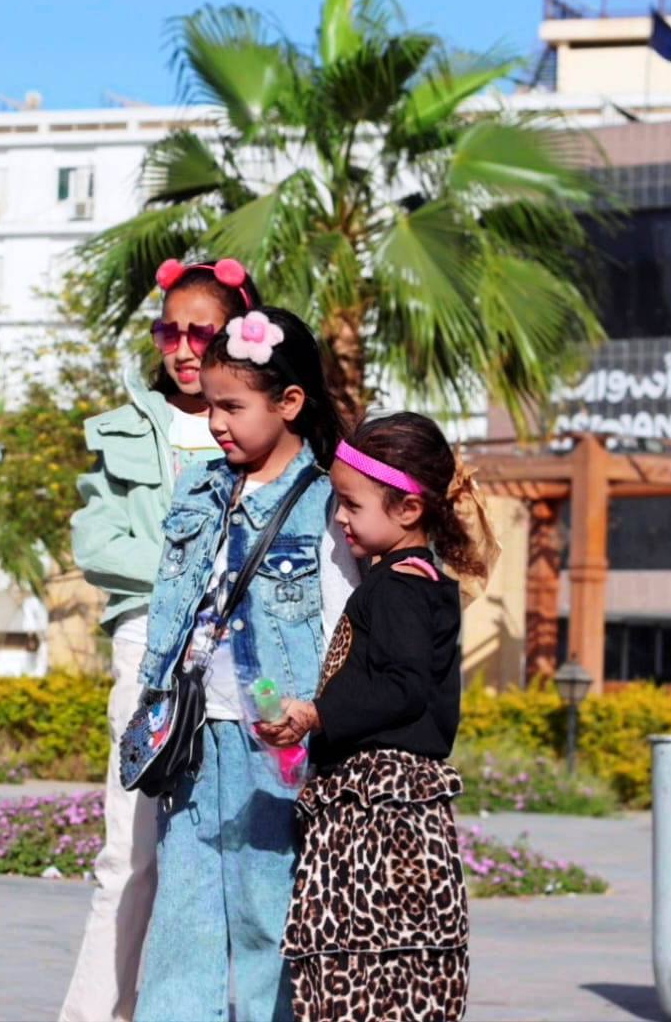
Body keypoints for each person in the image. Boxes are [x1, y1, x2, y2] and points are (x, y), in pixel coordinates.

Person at [132, 308, 360, 1022]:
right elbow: (174, 597)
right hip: (192, 734)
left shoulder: (327, 500)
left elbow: (344, 623)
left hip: (278, 740)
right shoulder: (198, 488)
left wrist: (324, 723)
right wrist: (152, 695)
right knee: (184, 911)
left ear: (289, 402)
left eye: (232, 407)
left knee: (269, 908)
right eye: (209, 407)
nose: (216, 423)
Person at [61, 258, 261, 1022]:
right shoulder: (125, 427)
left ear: (238, 334)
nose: (181, 348)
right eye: (167, 331)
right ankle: (93, 1014)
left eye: (199, 332)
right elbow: (95, 541)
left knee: (246, 847)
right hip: (149, 640)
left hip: (252, 646)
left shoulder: (269, 426)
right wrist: (189, 574)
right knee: (128, 849)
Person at [259, 412, 501, 1022]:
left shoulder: (398, 587)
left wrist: (316, 714)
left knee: (360, 961)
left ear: (409, 510)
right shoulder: (415, 580)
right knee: (399, 971)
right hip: (398, 805)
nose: (340, 518)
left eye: (351, 505)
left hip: (376, 806)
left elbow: (401, 687)